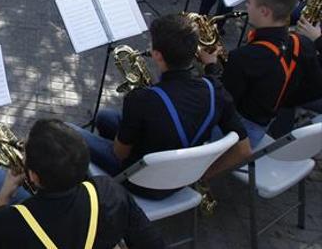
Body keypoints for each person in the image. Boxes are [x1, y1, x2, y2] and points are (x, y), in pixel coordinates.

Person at [73, 14, 252, 198]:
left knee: (67, 131)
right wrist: (201, 176)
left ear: (157, 55)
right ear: (194, 51)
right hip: (181, 175)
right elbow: (243, 150)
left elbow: (119, 153)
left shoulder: (140, 99)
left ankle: (98, 190)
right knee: (104, 117)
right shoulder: (216, 89)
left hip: (139, 181)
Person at [0, 119, 164, 248]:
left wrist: (6, 192)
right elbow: (153, 244)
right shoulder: (110, 191)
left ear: (33, 177)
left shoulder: (5, 223)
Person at [219, 0, 322, 146]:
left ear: (264, 12)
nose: (246, 6)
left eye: (249, 2)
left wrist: (211, 67)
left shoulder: (244, 57)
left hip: (238, 135)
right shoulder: (303, 44)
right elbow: (315, 88)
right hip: (265, 123)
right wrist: (284, 98)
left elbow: (223, 103)